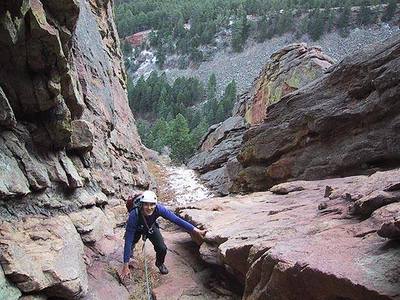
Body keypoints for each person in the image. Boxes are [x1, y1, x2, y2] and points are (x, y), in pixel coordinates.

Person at [120, 190, 206, 280]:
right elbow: (128, 240)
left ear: (155, 204)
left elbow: (176, 220)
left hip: (150, 226)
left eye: (152, 204)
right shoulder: (134, 214)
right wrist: (125, 266)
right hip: (136, 228)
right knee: (131, 244)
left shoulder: (159, 209)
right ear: (142, 204)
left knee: (162, 248)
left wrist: (195, 230)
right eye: (146, 204)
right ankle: (129, 257)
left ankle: (159, 263)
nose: (149, 208)